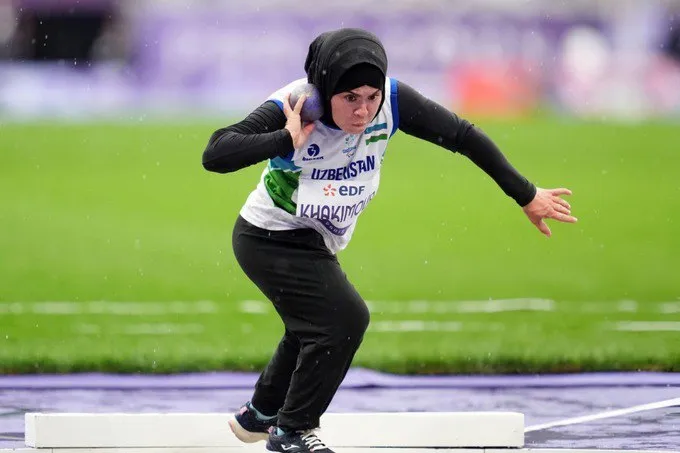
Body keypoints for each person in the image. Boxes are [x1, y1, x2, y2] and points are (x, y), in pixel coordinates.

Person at [202, 28, 577, 453]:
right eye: (350, 98)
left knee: (314, 323)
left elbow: (463, 136)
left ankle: (261, 414)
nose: (363, 110)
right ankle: (292, 431)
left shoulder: (394, 102)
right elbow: (216, 153)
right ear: (324, 88)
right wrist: (287, 137)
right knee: (345, 320)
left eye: (371, 96)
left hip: (314, 239)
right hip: (268, 236)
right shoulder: (296, 104)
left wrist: (525, 194)